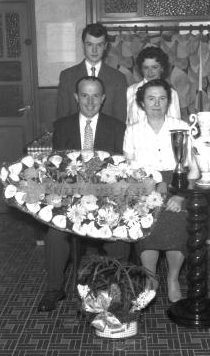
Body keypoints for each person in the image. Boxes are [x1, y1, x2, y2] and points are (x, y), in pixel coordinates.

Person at [38, 76, 130, 312]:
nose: (90, 101)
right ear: (76, 97)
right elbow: (58, 166)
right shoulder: (62, 126)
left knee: (118, 234)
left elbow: (119, 169)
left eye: (96, 96)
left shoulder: (117, 127)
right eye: (85, 95)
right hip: (71, 196)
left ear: (103, 98)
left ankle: (115, 291)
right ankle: (54, 288)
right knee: (55, 233)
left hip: (105, 195)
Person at [123, 78, 199, 303]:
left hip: (178, 186)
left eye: (162, 98)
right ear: (142, 103)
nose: (156, 103)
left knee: (176, 221)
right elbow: (129, 172)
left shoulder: (182, 127)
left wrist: (180, 195)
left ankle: (173, 279)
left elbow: (192, 171)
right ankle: (150, 277)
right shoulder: (132, 131)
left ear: (169, 101)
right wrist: (149, 190)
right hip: (144, 188)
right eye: (151, 98)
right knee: (147, 223)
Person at [56, 22, 128, 123]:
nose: (94, 50)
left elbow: (120, 119)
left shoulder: (118, 78)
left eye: (99, 45)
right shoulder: (67, 76)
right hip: (75, 136)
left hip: (108, 136)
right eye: (90, 44)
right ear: (83, 45)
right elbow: (62, 119)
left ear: (105, 46)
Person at [127, 46, 181, 124]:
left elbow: (176, 123)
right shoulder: (131, 91)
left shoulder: (171, 93)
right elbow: (125, 122)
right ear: (141, 69)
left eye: (154, 67)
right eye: (146, 68)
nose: (150, 72)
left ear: (162, 68)